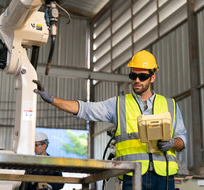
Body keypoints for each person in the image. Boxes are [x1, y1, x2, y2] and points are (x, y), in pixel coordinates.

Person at [33, 50, 187, 190]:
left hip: (164, 177)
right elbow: (86, 109)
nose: (137, 80)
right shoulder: (119, 104)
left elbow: (182, 140)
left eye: (143, 76)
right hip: (132, 175)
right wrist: (52, 100)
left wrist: (173, 143)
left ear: (152, 77)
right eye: (133, 76)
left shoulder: (170, 105)